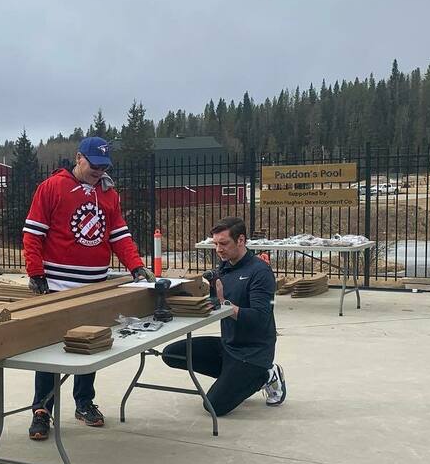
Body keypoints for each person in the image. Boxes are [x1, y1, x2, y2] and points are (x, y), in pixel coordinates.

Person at [22, 136, 155, 440]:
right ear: (78, 158)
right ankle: (41, 409)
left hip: (95, 285)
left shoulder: (109, 194)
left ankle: (84, 402)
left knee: (90, 345)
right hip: (58, 286)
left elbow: (119, 235)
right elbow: (33, 234)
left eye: (104, 167)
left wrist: (135, 266)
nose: (99, 172)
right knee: (50, 351)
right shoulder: (52, 187)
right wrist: (36, 272)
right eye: (94, 165)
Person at [161, 217, 286, 414]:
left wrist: (224, 304)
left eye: (224, 243)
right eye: (215, 244)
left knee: (214, 406)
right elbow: (211, 302)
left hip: (253, 353)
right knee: (171, 353)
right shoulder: (224, 267)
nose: (218, 249)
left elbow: (260, 318)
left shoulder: (260, 272)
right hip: (228, 345)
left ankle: (265, 375)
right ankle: (235, 378)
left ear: (241, 240)